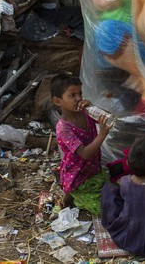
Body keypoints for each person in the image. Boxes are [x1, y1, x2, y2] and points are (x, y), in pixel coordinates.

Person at [52, 74, 111, 215]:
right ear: (57, 101)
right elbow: (84, 153)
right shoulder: (64, 128)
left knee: (114, 191)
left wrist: (93, 107)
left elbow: (107, 117)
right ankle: (75, 196)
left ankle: (71, 193)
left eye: (80, 93)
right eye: (72, 95)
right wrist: (102, 134)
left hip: (93, 170)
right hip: (78, 177)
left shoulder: (86, 113)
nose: (78, 98)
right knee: (105, 209)